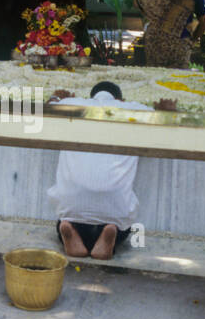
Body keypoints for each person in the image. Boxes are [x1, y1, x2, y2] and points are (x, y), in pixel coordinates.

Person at [46, 81, 152, 259]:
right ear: (120, 100)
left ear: (91, 97)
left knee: (67, 217)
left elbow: (46, 109)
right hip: (115, 207)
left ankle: (68, 228)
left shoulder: (72, 104)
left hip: (72, 206)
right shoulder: (134, 109)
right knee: (123, 224)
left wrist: (57, 97)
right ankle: (111, 232)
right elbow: (164, 116)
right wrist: (167, 107)